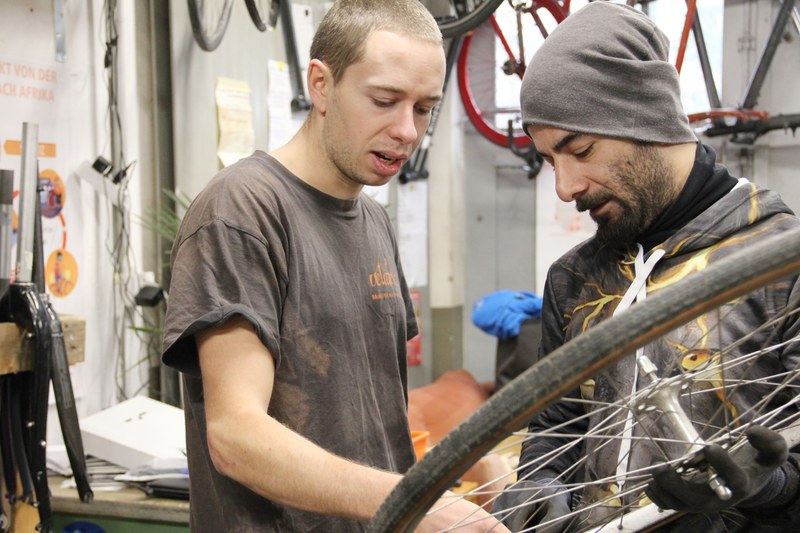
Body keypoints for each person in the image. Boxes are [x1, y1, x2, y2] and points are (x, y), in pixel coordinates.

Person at [161, 1, 509, 531]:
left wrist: (448, 472)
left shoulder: (373, 219)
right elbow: (236, 438)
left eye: (423, 108)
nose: (408, 131)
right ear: (320, 85)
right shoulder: (242, 212)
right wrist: (413, 503)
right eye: (385, 100)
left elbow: (367, 418)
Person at [492, 2, 800, 531]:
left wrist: (763, 486)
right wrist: (538, 487)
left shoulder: (782, 264)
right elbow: (558, 426)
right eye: (549, 160)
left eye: (581, 149)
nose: (565, 187)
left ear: (649, 120)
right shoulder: (574, 280)